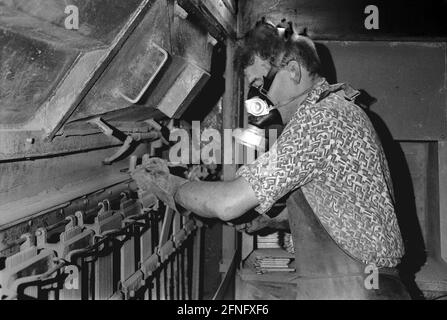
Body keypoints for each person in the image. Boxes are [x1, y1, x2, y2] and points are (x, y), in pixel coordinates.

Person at [131, 19, 410, 299]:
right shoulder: (339, 110)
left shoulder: (318, 121)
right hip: (362, 285)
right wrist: (265, 220)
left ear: (292, 71)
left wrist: (168, 185)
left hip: (355, 290)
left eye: (259, 83)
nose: (259, 99)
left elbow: (226, 203)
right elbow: (336, 209)